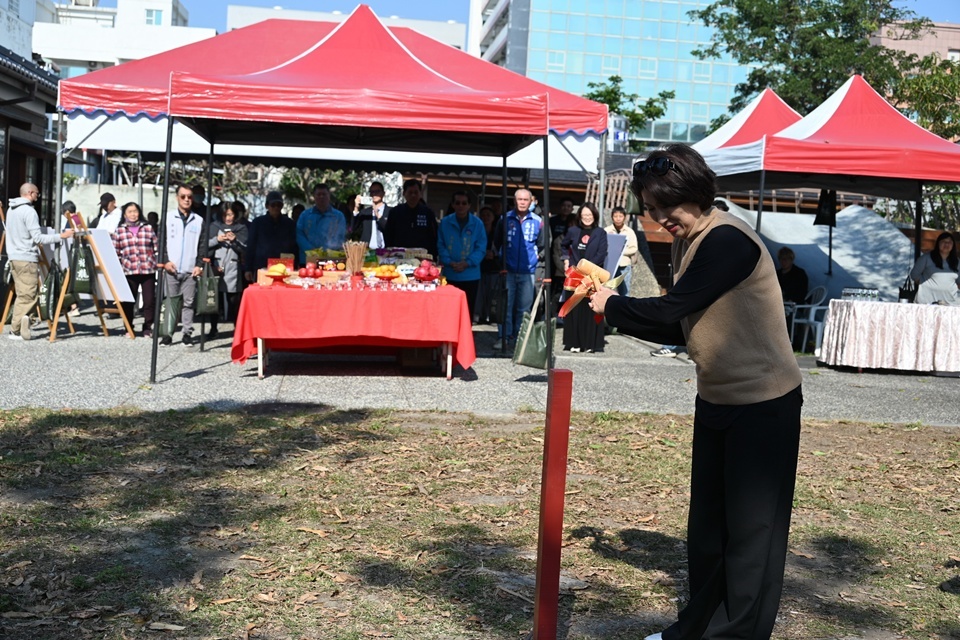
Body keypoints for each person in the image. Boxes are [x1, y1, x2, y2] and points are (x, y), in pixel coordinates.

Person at [588, 144, 803, 640]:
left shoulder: (728, 241)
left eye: (669, 207)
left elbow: (667, 312)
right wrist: (618, 310)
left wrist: (613, 306)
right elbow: (681, 326)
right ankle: (694, 629)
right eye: (653, 210)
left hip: (764, 405)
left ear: (698, 195)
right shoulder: (690, 240)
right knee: (708, 533)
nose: (662, 219)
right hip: (718, 400)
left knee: (752, 538)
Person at [6, 183, 75, 340]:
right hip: (26, 258)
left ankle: (25, 321)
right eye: (37, 193)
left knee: (23, 294)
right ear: (30, 193)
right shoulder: (29, 212)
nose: (38, 196)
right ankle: (15, 330)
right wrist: (61, 236)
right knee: (28, 296)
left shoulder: (11, 209)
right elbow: (38, 238)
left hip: (14, 257)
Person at [492, 188, 544, 350]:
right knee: (506, 306)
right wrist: (500, 262)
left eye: (525, 200)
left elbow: (542, 246)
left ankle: (521, 339)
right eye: (519, 199)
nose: (522, 202)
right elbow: (496, 244)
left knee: (524, 308)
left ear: (531, 202)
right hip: (508, 270)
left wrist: (536, 260)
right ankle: (504, 337)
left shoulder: (538, 221)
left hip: (528, 271)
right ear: (514, 201)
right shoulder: (504, 219)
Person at [159, 184, 208, 346]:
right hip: (171, 267)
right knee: (171, 301)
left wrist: (199, 264)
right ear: (177, 198)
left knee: (189, 303)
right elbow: (161, 242)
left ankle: (187, 333)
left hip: (189, 268)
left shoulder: (199, 220)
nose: (187, 200)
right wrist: (165, 261)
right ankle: (168, 333)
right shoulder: (168, 217)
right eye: (183, 196)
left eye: (189, 197)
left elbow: (202, 245)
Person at [561, 202, 608, 353]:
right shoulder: (573, 230)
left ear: (594, 216)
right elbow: (563, 245)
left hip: (592, 276)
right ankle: (573, 343)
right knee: (574, 310)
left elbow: (601, 253)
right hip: (575, 276)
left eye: (589, 215)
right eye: (584, 215)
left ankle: (590, 344)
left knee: (590, 310)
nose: (587, 218)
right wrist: (566, 261)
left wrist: (588, 269)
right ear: (579, 216)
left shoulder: (600, 232)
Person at [437, 191, 486, 321]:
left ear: (469, 205)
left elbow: (481, 248)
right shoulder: (445, 223)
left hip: (470, 275)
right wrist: (449, 262)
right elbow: (440, 245)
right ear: (453, 204)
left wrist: (467, 263)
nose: (461, 206)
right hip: (449, 273)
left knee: (467, 312)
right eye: (457, 203)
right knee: (448, 311)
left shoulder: (478, 224)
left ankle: (465, 339)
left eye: (464, 203)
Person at [111, 202, 158, 338]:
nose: (133, 214)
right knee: (128, 301)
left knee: (149, 301)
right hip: (128, 270)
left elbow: (156, 247)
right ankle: (128, 326)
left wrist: (156, 262)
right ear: (125, 214)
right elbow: (116, 252)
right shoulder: (120, 230)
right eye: (130, 212)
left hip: (147, 269)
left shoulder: (147, 228)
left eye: (135, 211)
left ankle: (148, 327)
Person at [207, 201, 249, 338]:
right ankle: (213, 328)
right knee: (215, 300)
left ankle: (237, 328)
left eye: (230, 215)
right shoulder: (214, 226)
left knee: (234, 300)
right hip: (216, 266)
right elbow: (204, 245)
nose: (228, 218)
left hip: (233, 267)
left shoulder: (241, 228)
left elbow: (245, 248)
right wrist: (217, 240)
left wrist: (234, 240)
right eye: (225, 215)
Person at [245, 191, 298, 279]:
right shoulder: (258, 223)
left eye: (279, 205)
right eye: (273, 205)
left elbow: (294, 247)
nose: (276, 208)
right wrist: (248, 269)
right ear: (267, 206)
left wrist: (296, 266)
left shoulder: (289, 224)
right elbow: (251, 246)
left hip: (284, 267)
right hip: (262, 266)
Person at [384, 179, 438, 257]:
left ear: (420, 194)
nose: (413, 195)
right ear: (404, 193)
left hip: (422, 257)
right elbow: (388, 235)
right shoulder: (395, 212)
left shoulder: (428, 213)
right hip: (399, 256)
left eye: (416, 192)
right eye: (410, 192)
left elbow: (434, 237)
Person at [296, 183, 346, 266]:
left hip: (330, 261)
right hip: (307, 260)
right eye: (318, 194)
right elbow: (299, 235)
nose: (321, 197)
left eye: (324, 194)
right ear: (314, 196)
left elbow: (340, 236)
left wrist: (326, 251)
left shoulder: (338, 216)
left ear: (329, 196)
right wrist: (311, 250)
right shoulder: (305, 215)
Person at [910, 231, 960, 305]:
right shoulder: (926, 258)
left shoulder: (958, 261)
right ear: (938, 243)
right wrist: (924, 283)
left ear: (953, 245)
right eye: (943, 241)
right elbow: (914, 274)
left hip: (951, 303)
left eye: (949, 242)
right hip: (927, 302)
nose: (946, 244)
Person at [604, 205, 639, 297]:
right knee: (606, 290)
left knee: (625, 292)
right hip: (609, 265)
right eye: (615, 216)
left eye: (620, 216)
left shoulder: (629, 231)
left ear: (624, 217)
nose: (618, 219)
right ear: (612, 217)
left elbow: (634, 248)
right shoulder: (606, 230)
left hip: (624, 265)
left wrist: (621, 251)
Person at [474, 205, 499, 324]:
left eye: (488, 215)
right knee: (479, 293)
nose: (485, 218)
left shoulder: (497, 232)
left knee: (492, 293)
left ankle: (491, 315)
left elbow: (502, 247)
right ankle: (478, 314)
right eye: (483, 215)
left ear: (493, 217)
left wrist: (494, 253)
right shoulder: (476, 230)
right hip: (479, 266)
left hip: (494, 266)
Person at [351, 181, 390, 249]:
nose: (374, 194)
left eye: (377, 191)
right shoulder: (365, 212)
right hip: (367, 250)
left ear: (383, 193)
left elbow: (390, 229)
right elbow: (353, 227)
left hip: (385, 250)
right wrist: (356, 208)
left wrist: (377, 214)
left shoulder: (391, 211)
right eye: (372, 192)